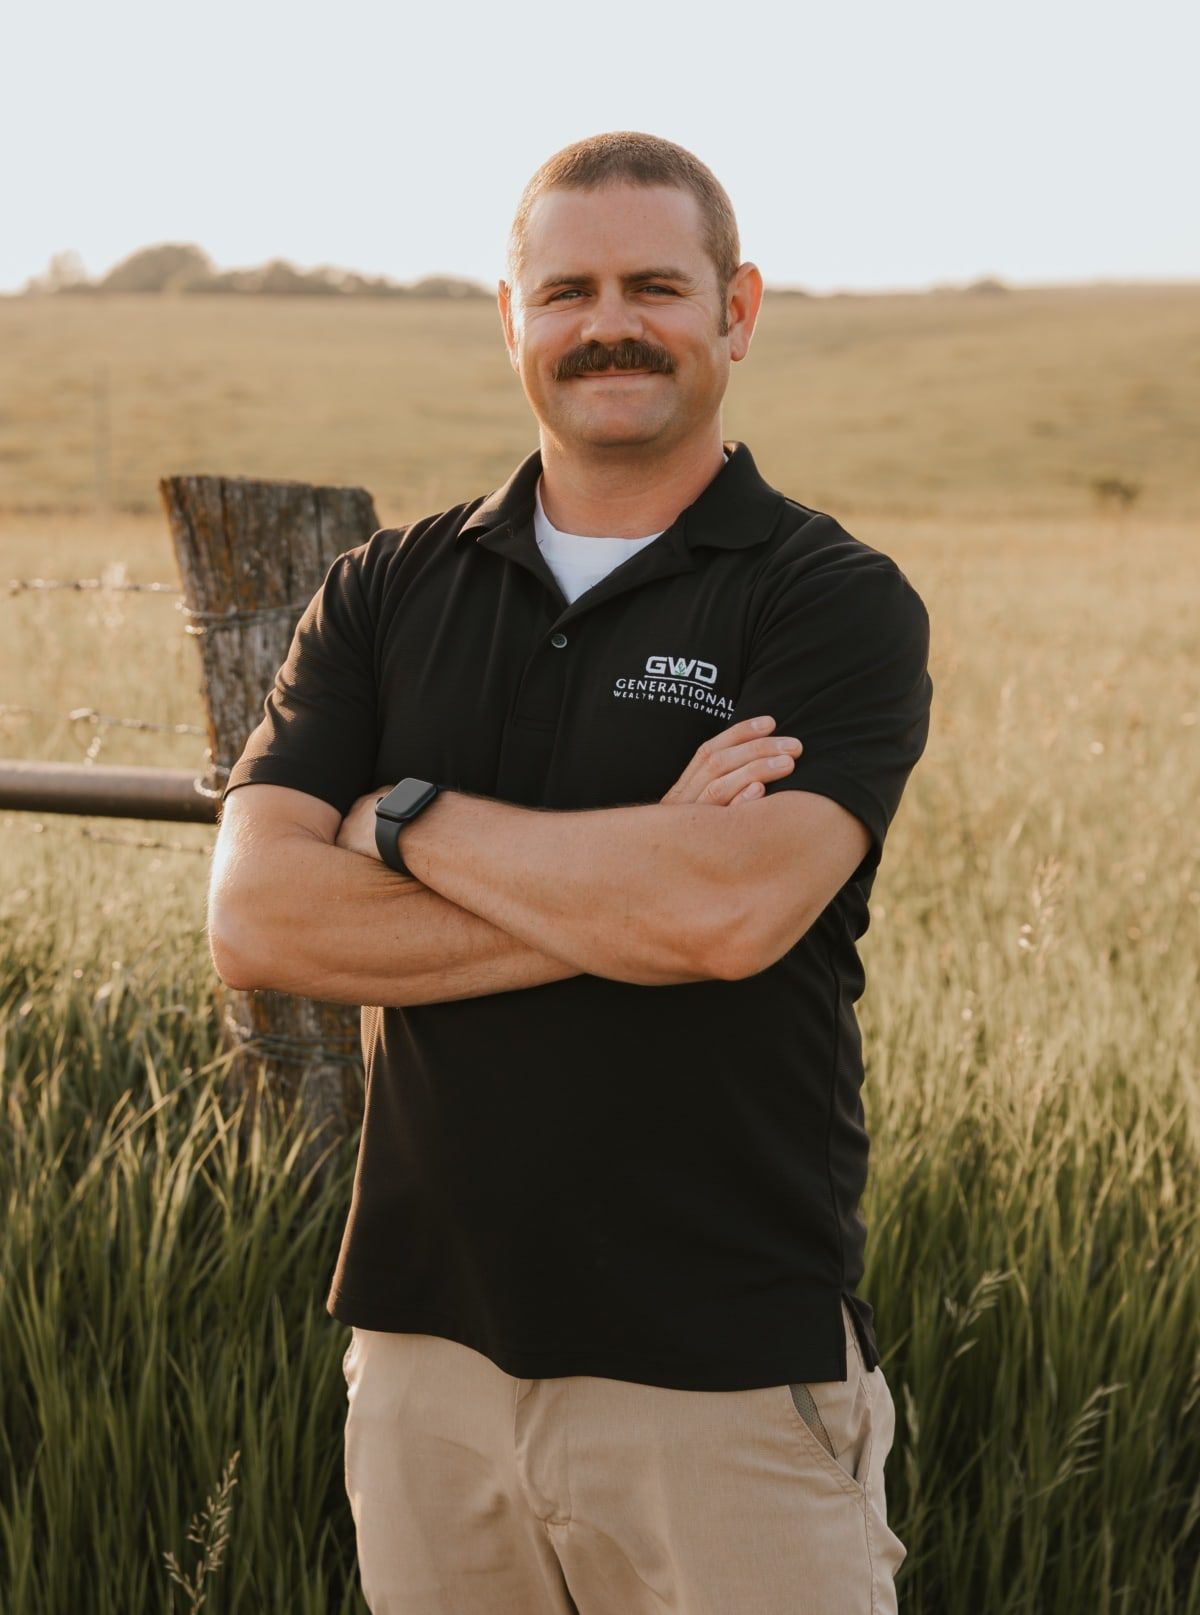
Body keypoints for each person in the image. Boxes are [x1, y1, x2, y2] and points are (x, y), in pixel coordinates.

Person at [209, 130, 933, 1615]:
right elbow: (260, 920)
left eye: (656, 285)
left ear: (735, 310)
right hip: (423, 1358)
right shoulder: (388, 587)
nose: (610, 323)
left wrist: (404, 818)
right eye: (570, 289)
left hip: (721, 1371)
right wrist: (635, 890)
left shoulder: (829, 600)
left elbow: (729, 913)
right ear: (512, 318)